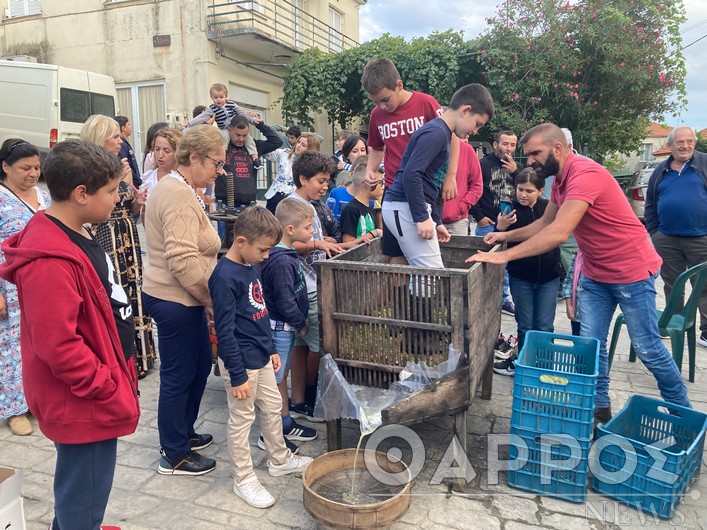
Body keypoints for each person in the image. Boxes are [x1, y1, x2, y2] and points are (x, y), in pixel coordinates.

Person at [467, 123, 691, 429]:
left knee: (648, 348)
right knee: (591, 347)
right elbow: (545, 223)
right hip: (597, 274)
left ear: (557, 149)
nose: (529, 160)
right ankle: (600, 414)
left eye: (535, 153)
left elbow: (558, 234)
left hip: (631, 271)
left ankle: (683, 414)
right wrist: (501, 237)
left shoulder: (585, 175)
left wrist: (505, 256)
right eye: (527, 154)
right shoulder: (558, 181)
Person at [0, 139, 140, 530]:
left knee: (85, 493)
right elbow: (57, 344)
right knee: (84, 499)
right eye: (111, 191)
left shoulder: (74, 229)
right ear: (81, 194)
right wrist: (103, 385)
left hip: (94, 393)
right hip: (85, 401)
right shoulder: (49, 259)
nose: (117, 198)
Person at [209, 206, 312, 509]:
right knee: (242, 419)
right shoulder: (224, 277)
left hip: (261, 357)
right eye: (263, 249)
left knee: (272, 406)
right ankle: (244, 478)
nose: (267, 256)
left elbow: (259, 312)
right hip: (240, 362)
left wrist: (269, 350)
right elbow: (225, 331)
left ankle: (279, 458)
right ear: (241, 241)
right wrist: (238, 375)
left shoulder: (252, 265)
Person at [142, 125, 225, 475]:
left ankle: (184, 433)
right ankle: (174, 453)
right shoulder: (176, 192)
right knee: (179, 373)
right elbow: (181, 258)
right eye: (216, 163)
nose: (220, 171)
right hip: (175, 298)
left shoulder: (183, 188)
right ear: (194, 158)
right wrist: (212, 300)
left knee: (199, 365)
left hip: (182, 298)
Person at [382, 84, 494, 268]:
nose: (475, 131)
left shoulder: (443, 133)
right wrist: (421, 218)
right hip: (403, 207)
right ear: (466, 110)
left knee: (426, 278)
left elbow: (430, 184)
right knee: (431, 277)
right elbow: (412, 174)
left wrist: (435, 220)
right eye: (478, 124)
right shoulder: (436, 133)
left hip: (407, 208)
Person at [362, 57, 460, 263]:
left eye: (385, 99)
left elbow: (452, 136)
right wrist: (370, 171)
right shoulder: (377, 115)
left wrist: (451, 175)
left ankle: (419, 295)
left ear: (399, 85)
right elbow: (377, 148)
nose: (381, 106)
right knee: (395, 255)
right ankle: (399, 295)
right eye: (375, 102)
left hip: (422, 188)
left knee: (424, 253)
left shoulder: (425, 103)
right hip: (394, 190)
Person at [81, 115, 155, 380]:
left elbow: (129, 208)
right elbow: (96, 209)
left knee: (134, 289)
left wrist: (136, 198)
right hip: (105, 237)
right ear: (99, 138)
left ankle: (143, 355)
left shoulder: (118, 165)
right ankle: (122, 357)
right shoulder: (89, 170)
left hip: (127, 235)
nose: (119, 141)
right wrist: (120, 182)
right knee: (114, 294)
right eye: (114, 136)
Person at [260, 197, 318, 454]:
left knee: (280, 378)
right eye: (308, 227)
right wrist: (300, 323)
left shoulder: (285, 255)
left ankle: (283, 422)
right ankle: (268, 435)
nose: (312, 232)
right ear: (291, 230)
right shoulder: (282, 261)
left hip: (284, 328)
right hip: (280, 329)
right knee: (274, 381)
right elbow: (285, 299)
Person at [288, 152, 343, 418]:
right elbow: (285, 244)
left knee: (303, 346)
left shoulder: (311, 205)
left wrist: (334, 244)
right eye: (320, 181)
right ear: (302, 178)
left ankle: (299, 400)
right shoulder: (292, 205)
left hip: (312, 285)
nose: (325, 186)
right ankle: (309, 393)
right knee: (315, 346)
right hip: (305, 288)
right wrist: (316, 244)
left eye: (327, 181)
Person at [491, 168, 562, 376]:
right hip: (521, 276)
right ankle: (523, 367)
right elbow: (494, 243)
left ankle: (545, 367)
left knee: (545, 326)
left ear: (540, 190)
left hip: (549, 276)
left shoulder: (549, 209)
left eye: (529, 191)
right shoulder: (509, 211)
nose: (523, 194)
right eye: (520, 189)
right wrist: (500, 228)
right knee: (525, 324)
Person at [0, 139, 49, 436]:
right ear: (5, 168)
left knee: (40, 341)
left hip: (44, 283)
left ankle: (37, 400)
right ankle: (14, 408)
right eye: (25, 168)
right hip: (11, 286)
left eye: (36, 167)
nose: (33, 173)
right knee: (11, 346)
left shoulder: (44, 196)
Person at [644, 126, 707, 348]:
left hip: (701, 238)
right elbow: (650, 203)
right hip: (667, 239)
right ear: (670, 145)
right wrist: (654, 232)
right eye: (680, 142)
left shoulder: (704, 164)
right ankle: (673, 323)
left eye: (690, 141)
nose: (685, 146)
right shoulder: (661, 170)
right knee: (672, 284)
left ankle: (706, 331)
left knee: (703, 285)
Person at [469, 130, 521, 316]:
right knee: (486, 265)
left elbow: (527, 189)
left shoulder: (518, 168)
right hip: (488, 224)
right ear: (496, 143)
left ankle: (504, 299)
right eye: (505, 143)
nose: (508, 148)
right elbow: (471, 190)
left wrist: (515, 171)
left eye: (512, 145)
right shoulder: (482, 164)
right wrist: (479, 216)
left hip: (511, 225)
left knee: (507, 264)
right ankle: (483, 300)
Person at [187, 83, 261, 167]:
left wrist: (252, 120)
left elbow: (242, 112)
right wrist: (190, 123)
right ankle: (223, 159)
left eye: (221, 97)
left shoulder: (231, 104)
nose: (219, 100)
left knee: (249, 139)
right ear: (211, 98)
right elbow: (202, 117)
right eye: (216, 97)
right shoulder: (212, 108)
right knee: (223, 140)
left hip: (235, 127)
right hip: (224, 129)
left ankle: (255, 158)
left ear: (226, 97)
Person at [215, 115, 282, 207]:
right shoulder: (221, 146)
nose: (241, 139)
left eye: (244, 135)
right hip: (225, 203)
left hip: (249, 204)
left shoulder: (254, 146)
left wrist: (260, 125)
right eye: (237, 135)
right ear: (229, 130)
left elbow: (277, 142)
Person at [264, 132, 321, 214]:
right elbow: (266, 152)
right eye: (298, 142)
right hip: (275, 195)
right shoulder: (285, 154)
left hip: (294, 200)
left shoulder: (313, 165)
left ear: (310, 149)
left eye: (303, 145)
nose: (298, 146)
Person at [442, 139, 484, 235]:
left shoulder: (467, 150)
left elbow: (477, 185)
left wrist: (462, 207)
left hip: (456, 221)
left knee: (459, 249)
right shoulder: (429, 145)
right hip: (428, 218)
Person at [340, 162, 383, 243]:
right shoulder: (351, 210)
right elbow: (348, 242)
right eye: (380, 182)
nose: (383, 187)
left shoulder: (370, 208)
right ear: (367, 183)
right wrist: (374, 233)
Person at [140, 127, 182, 199]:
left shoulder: (185, 178)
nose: (160, 155)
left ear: (177, 152)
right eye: (157, 149)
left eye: (167, 151)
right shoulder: (148, 177)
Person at [114, 115, 142, 188]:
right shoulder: (121, 145)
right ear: (123, 128)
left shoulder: (125, 143)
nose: (131, 127)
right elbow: (126, 165)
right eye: (128, 125)